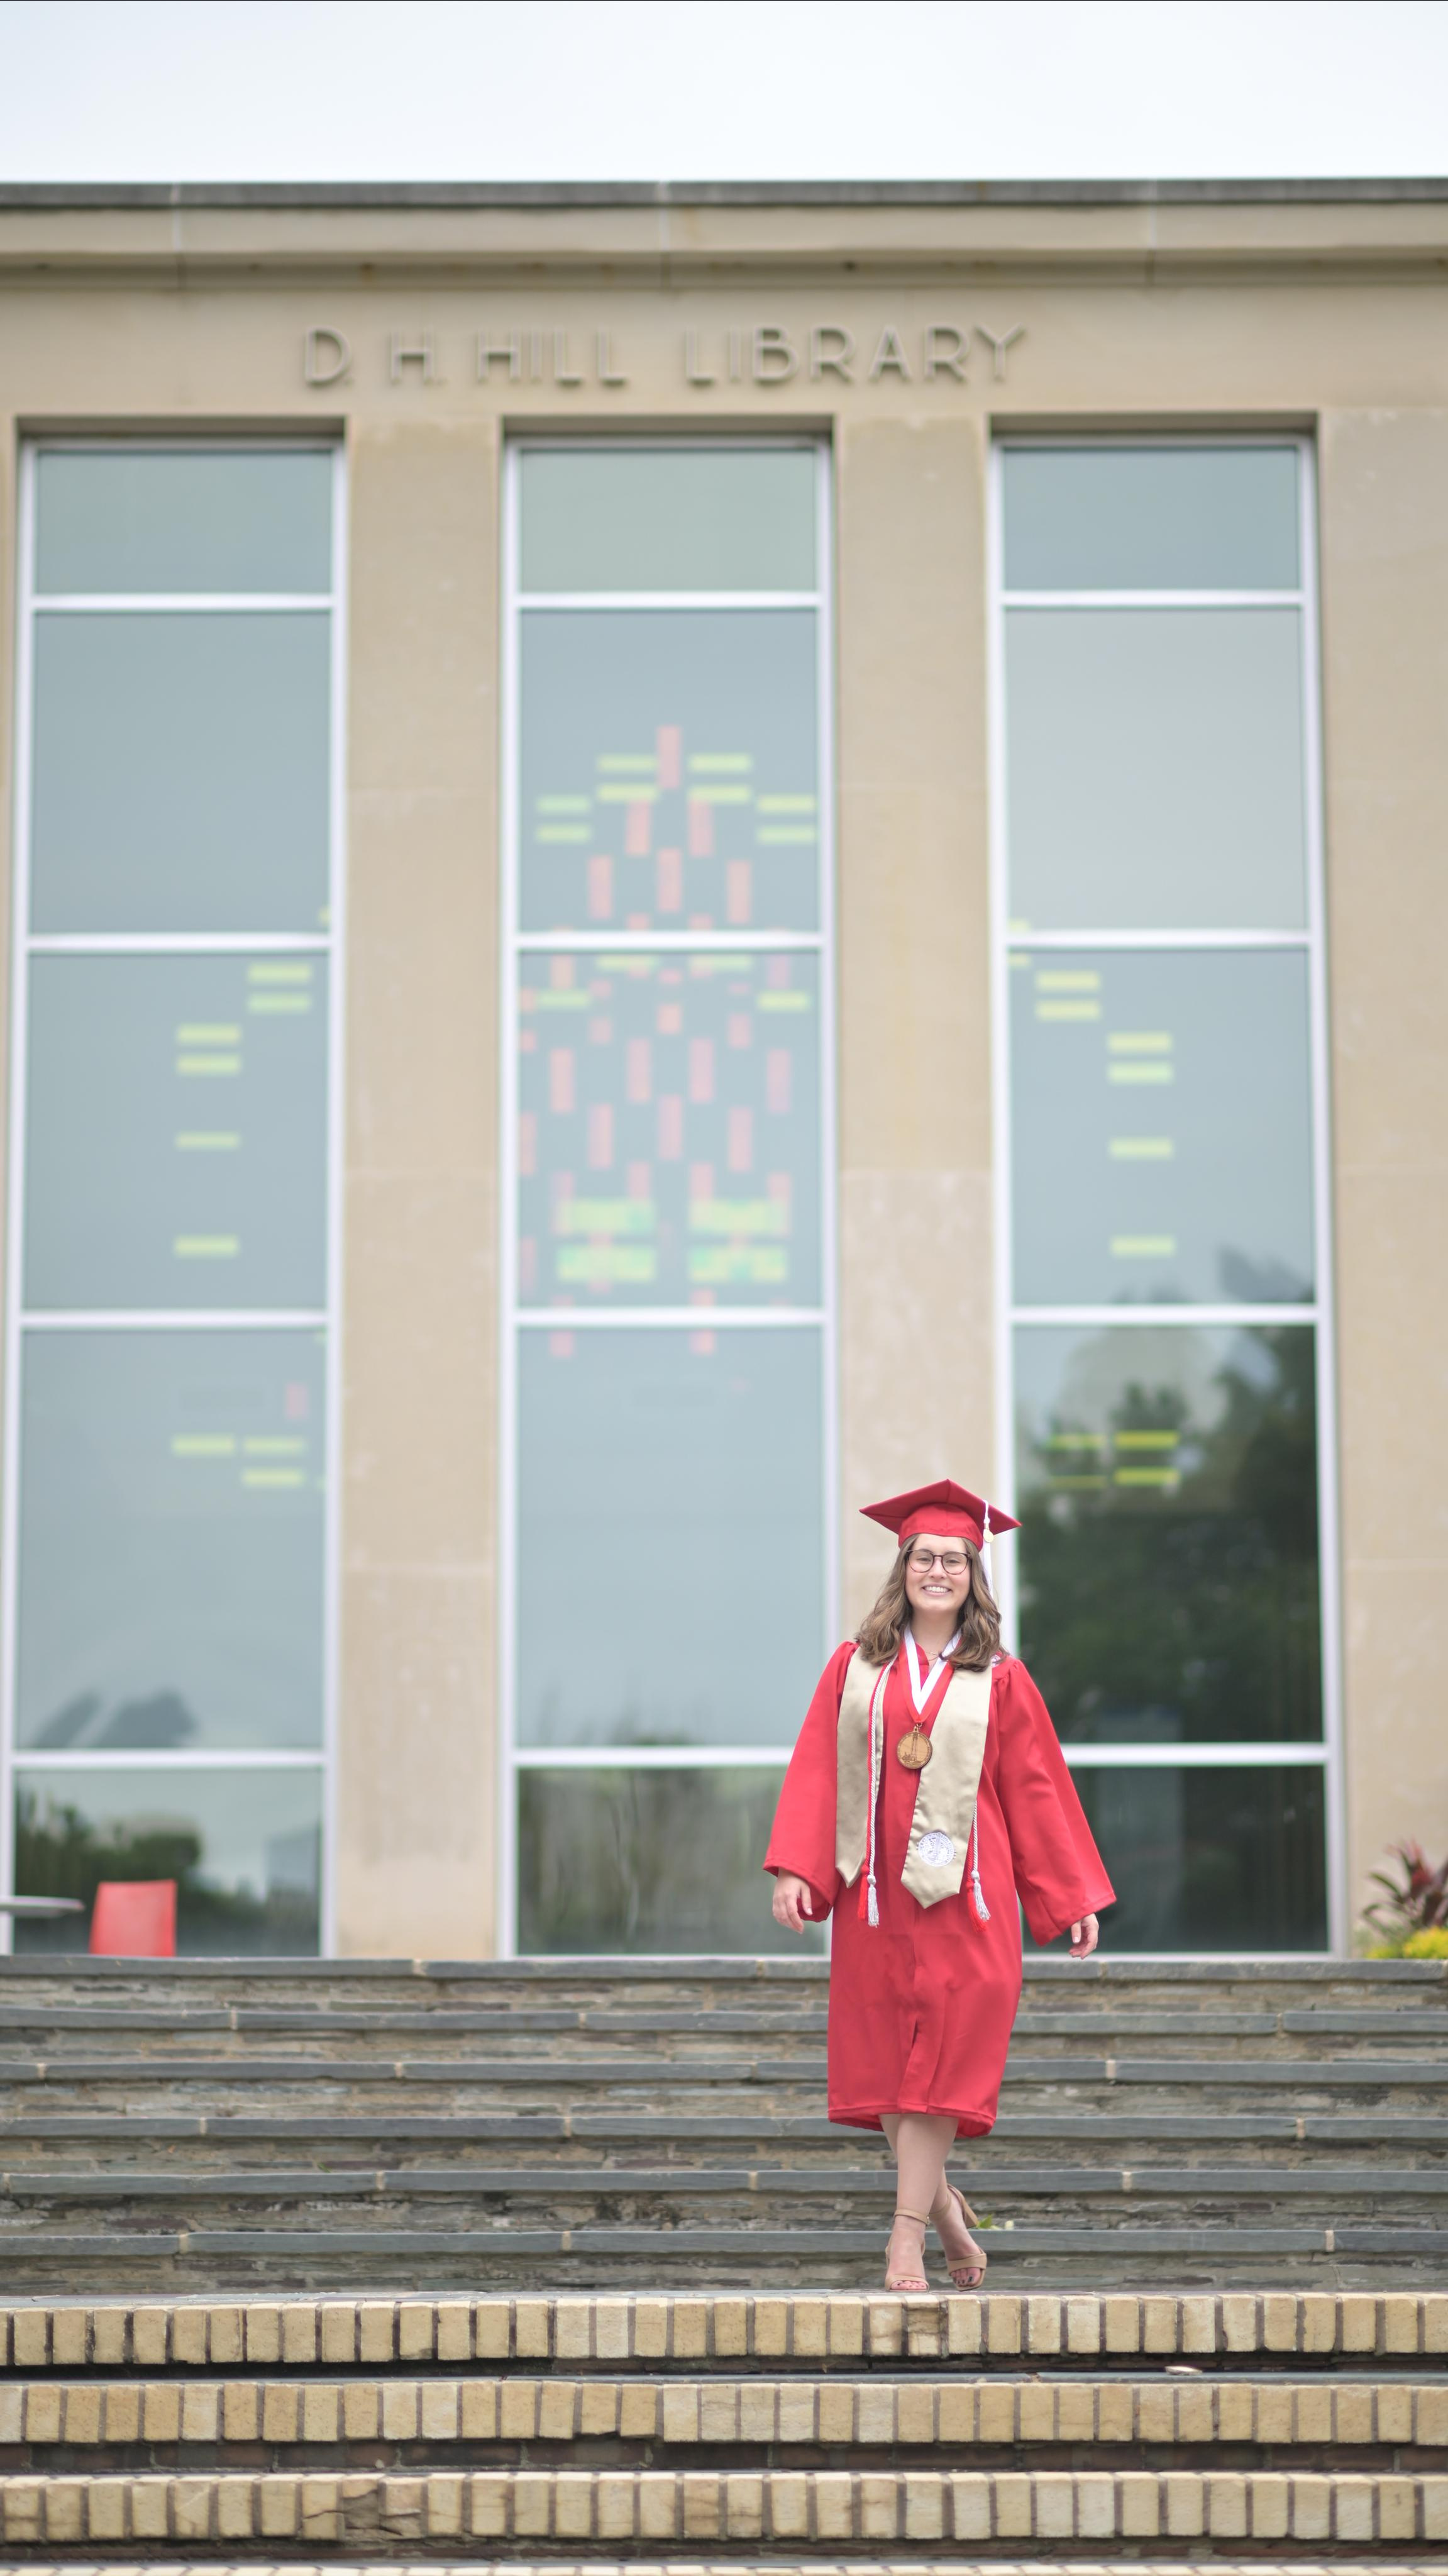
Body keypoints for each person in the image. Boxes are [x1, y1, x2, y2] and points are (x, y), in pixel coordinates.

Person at [765, 1477, 1114, 2294]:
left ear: (972, 1575)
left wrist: (1070, 1897)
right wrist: (796, 1866)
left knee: (944, 2064)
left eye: (952, 1560)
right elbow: (818, 1763)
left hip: (972, 1900)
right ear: (903, 1567)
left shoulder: (999, 1676)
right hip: (878, 1900)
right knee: (892, 2064)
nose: (937, 1571)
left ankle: (905, 2239)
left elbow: (1035, 1788)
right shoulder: (857, 1668)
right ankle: (949, 2212)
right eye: (924, 1556)